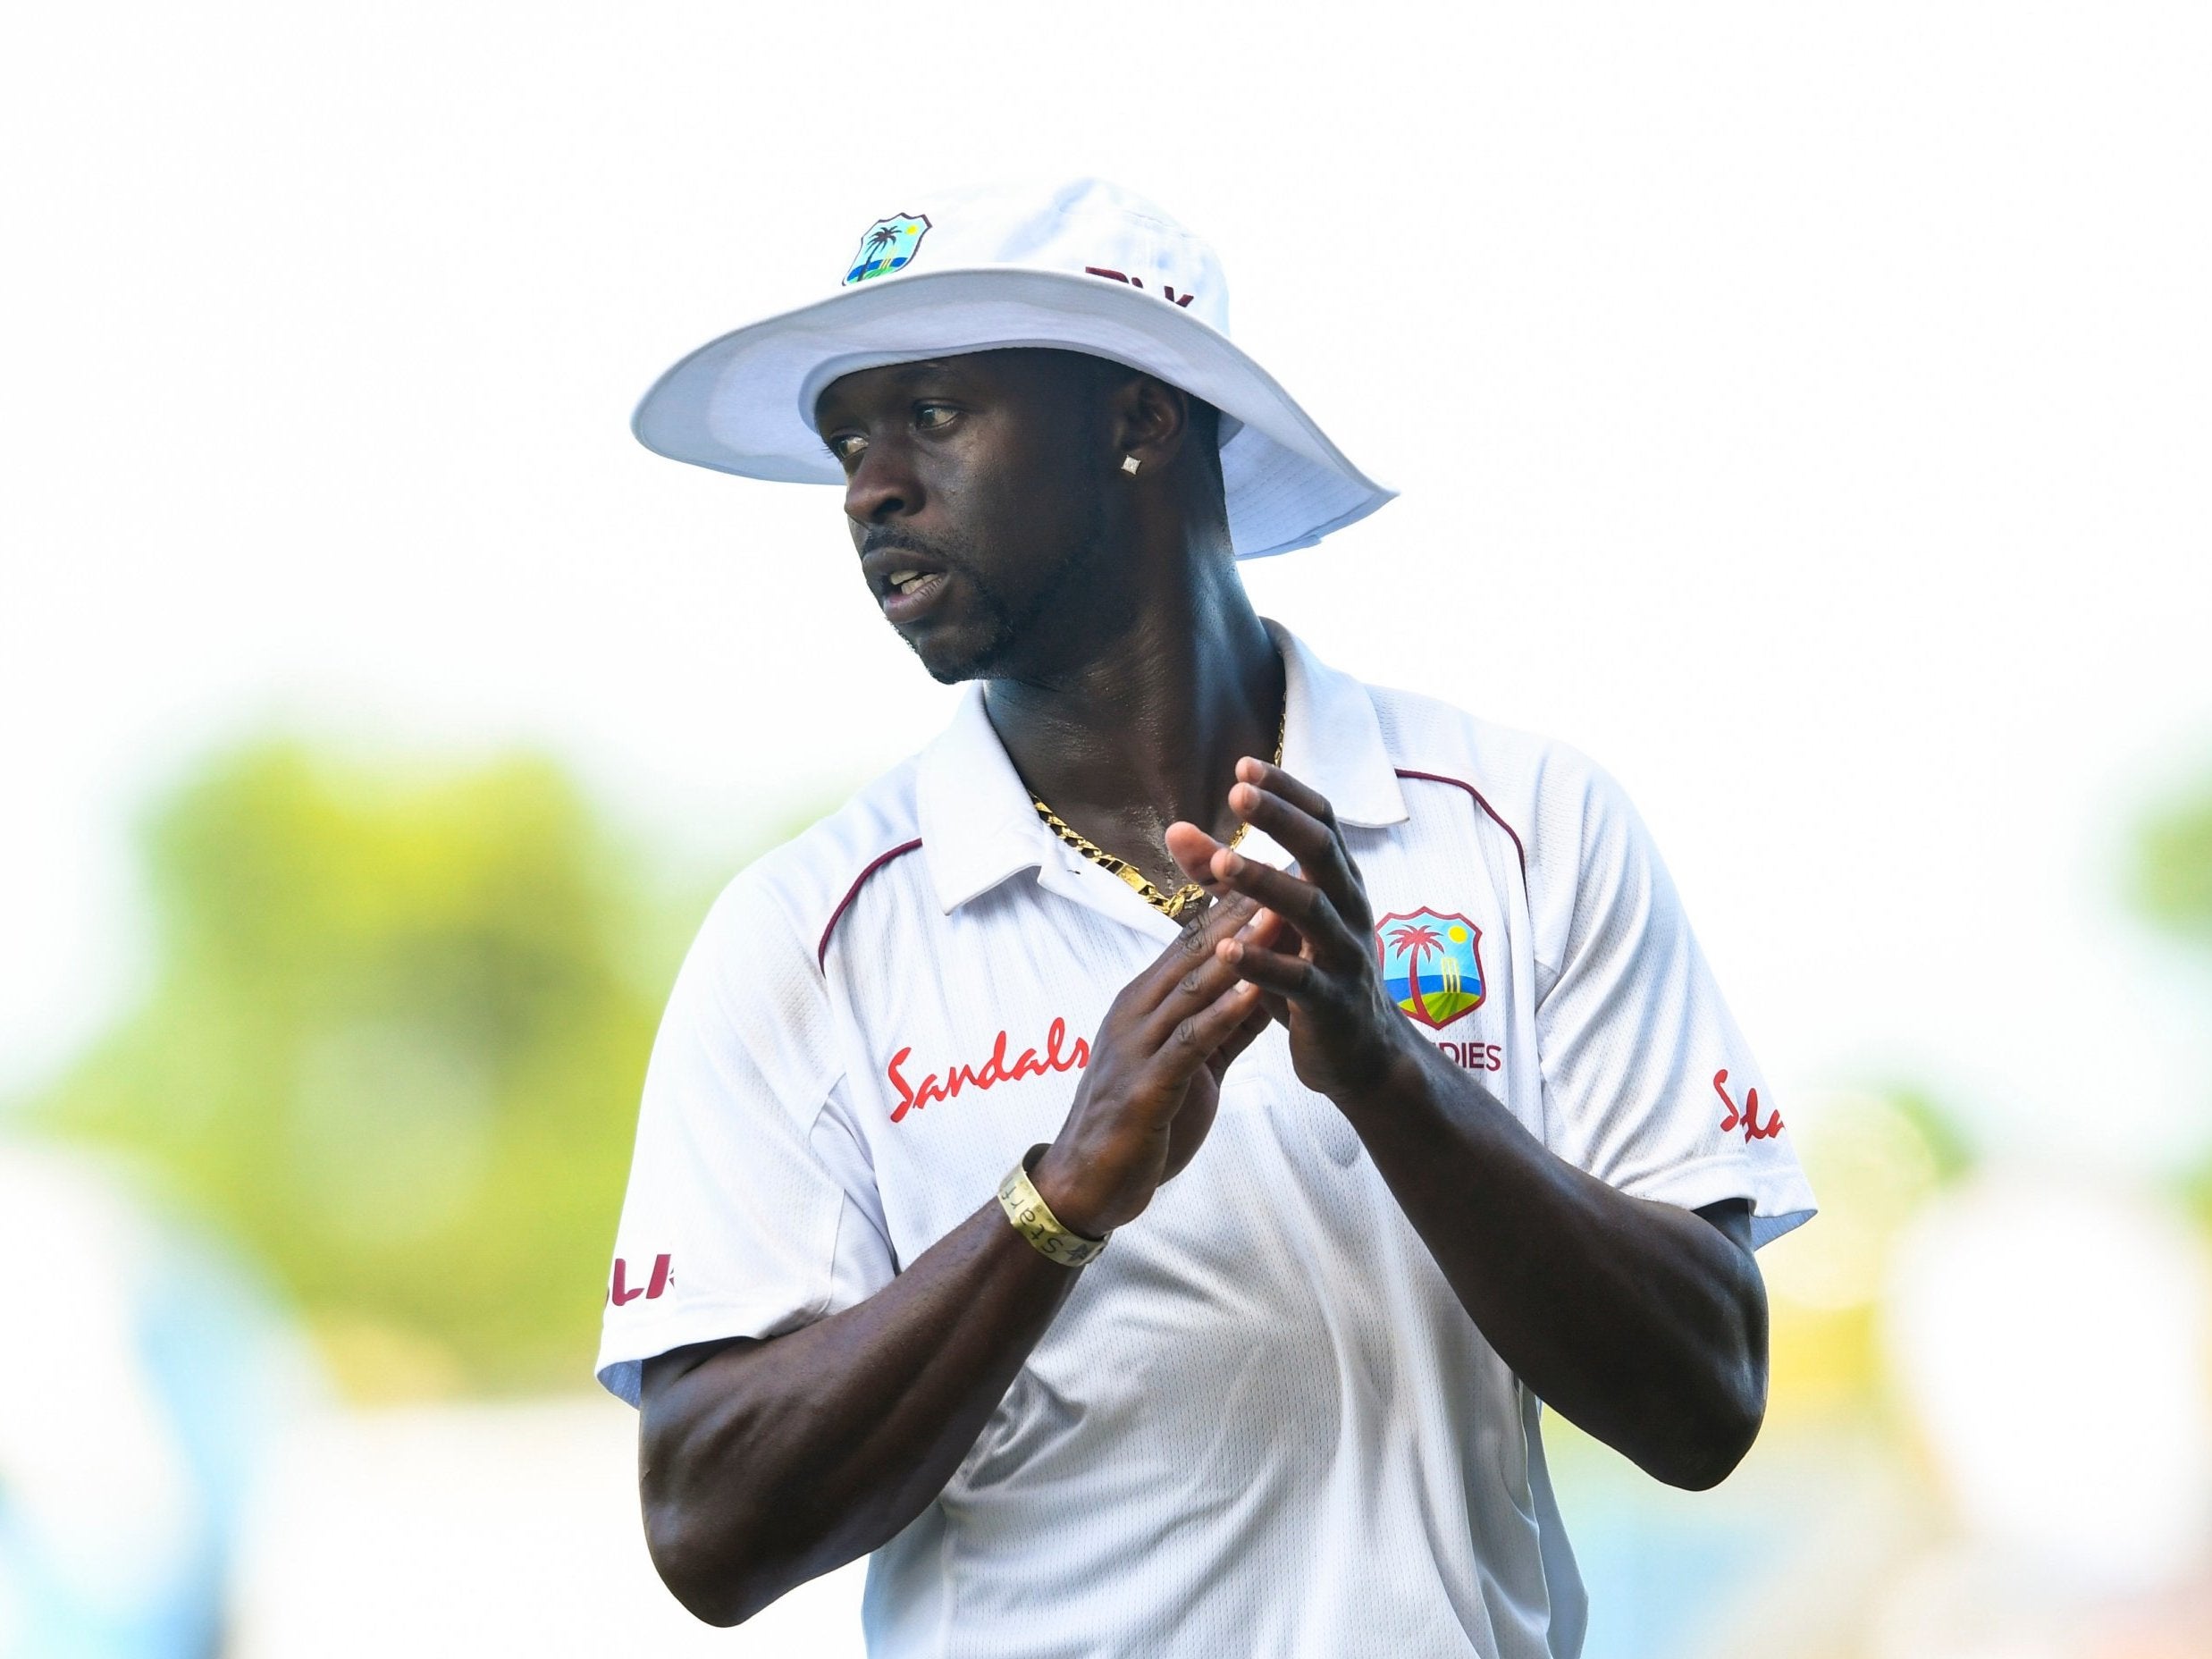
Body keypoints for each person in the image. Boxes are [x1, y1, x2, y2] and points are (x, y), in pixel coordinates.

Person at [598, 178, 1815, 1659]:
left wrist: (1387, 1070)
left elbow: (1707, 1402)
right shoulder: (808, 932)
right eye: (849, 440)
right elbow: (707, 1532)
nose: (869, 489)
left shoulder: (1523, 825)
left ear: (1140, 419)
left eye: (932, 413)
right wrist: (1059, 1201)